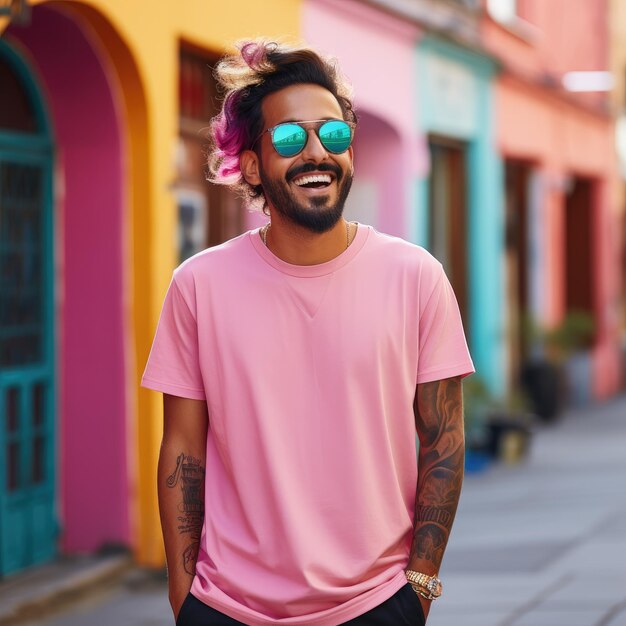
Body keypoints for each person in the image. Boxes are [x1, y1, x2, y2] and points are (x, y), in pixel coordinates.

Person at [142, 39, 474, 626]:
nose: (317, 153)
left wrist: (418, 587)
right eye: (291, 138)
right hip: (226, 608)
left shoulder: (416, 277)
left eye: (334, 135)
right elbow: (183, 448)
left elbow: (442, 440)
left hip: (377, 604)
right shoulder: (198, 286)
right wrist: (182, 594)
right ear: (250, 165)